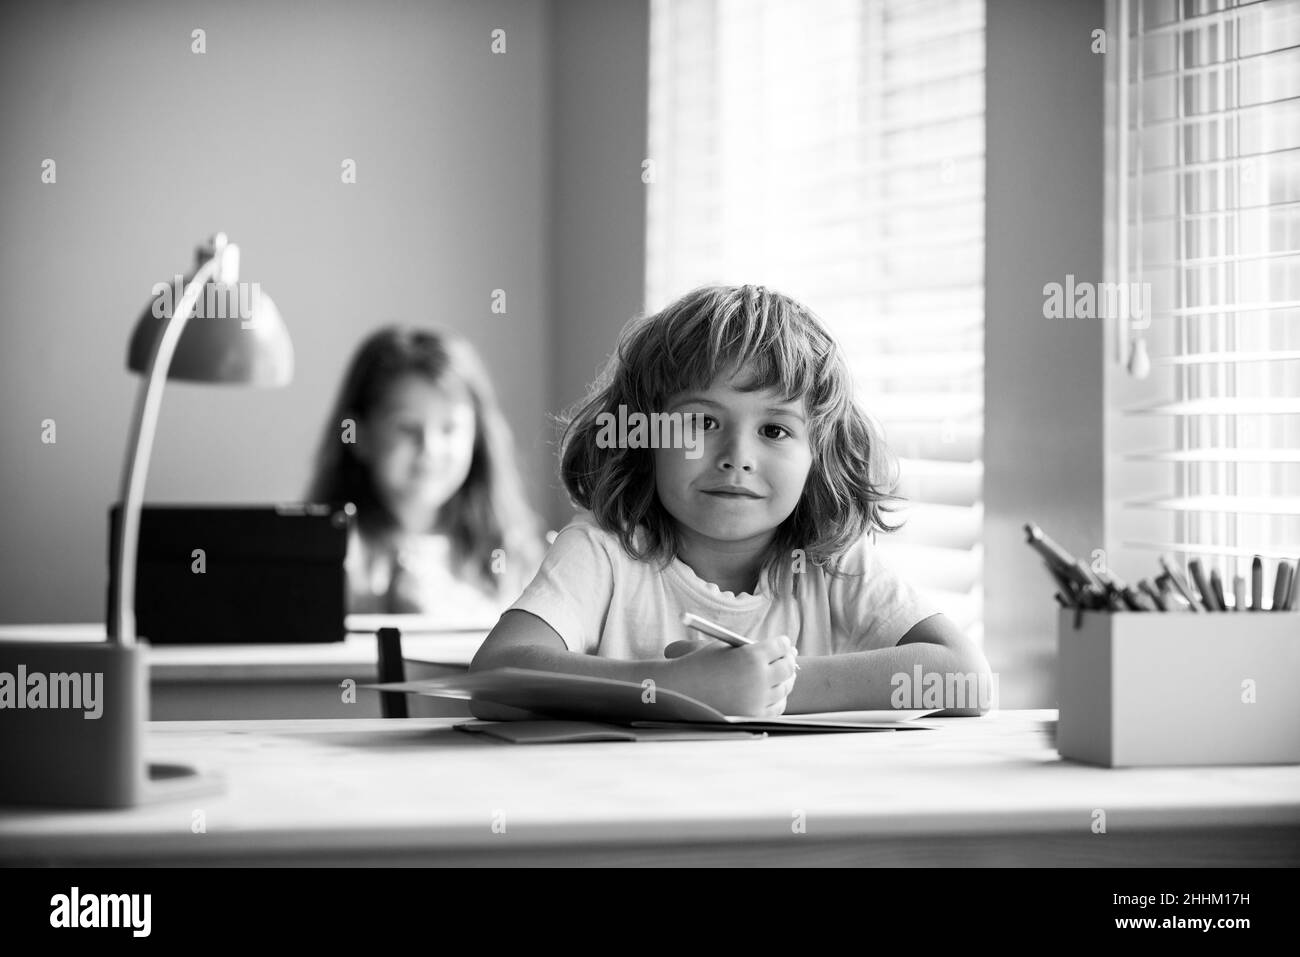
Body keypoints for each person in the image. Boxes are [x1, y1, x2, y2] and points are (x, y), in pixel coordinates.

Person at [470, 284, 990, 716]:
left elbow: (966, 680)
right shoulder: (604, 552)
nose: (737, 456)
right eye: (701, 423)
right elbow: (496, 677)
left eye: (774, 429)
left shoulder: (833, 563)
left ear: (819, 455)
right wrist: (673, 687)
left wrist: (768, 686)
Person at [308, 326, 543, 621]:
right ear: (359, 435)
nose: (430, 448)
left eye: (449, 428)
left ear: (477, 437)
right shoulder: (331, 558)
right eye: (407, 428)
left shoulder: (511, 554)